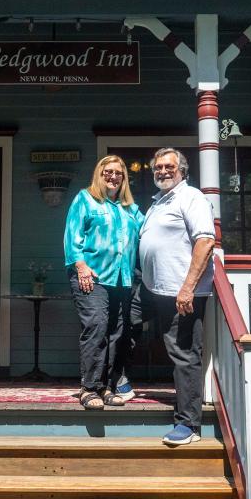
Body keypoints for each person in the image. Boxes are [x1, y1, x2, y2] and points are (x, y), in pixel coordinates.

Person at [138, 147, 215, 445]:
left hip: (181, 292)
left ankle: (189, 425)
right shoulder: (158, 202)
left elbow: (206, 240)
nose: (163, 171)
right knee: (119, 318)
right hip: (152, 289)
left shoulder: (191, 197)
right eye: (158, 167)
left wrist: (188, 288)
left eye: (169, 167)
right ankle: (120, 383)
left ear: (182, 169)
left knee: (184, 355)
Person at [64, 155, 144, 410]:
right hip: (92, 276)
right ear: (99, 174)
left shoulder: (130, 208)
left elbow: (150, 231)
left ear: (124, 178)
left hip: (122, 279)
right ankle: (89, 388)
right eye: (107, 172)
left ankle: (106, 387)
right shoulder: (85, 199)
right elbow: (72, 235)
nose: (113, 176)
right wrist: (80, 265)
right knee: (97, 326)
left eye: (118, 173)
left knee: (117, 332)